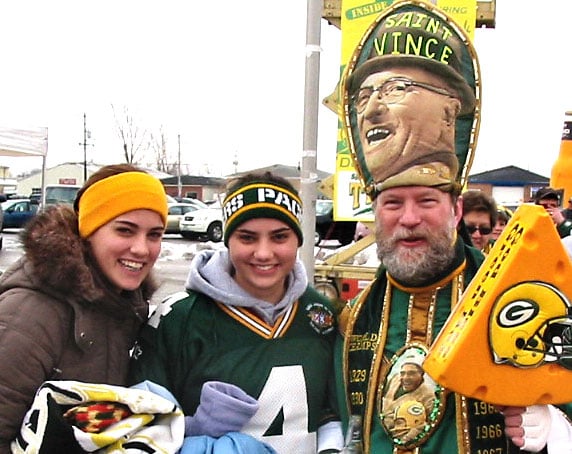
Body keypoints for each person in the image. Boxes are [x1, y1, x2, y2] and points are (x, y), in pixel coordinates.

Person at [335, 2, 572, 453]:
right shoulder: (350, 319)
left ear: (456, 210)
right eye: (392, 204)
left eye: (426, 201)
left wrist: (557, 429)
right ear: (374, 211)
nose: (408, 219)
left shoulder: (524, 300)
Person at [129, 171, 344, 453]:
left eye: (279, 237)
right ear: (228, 240)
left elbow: (332, 408)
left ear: (298, 240)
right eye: (247, 238)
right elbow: (142, 426)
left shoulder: (319, 314)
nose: (264, 253)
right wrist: (193, 432)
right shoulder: (179, 320)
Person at [0, 163, 168, 451]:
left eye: (154, 235)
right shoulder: (31, 313)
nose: (142, 249)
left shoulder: (126, 306)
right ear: (88, 230)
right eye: (125, 231)